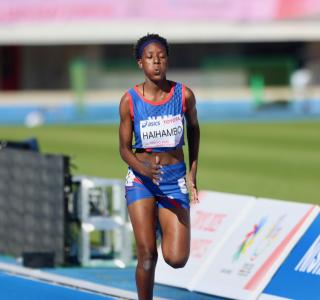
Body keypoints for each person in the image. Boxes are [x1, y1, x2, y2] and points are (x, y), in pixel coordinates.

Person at [119, 33, 200, 300]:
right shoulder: (129, 100)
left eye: (162, 57)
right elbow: (123, 149)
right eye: (150, 58)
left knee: (177, 259)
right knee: (147, 254)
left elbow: (194, 130)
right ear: (140, 63)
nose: (157, 63)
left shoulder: (184, 95)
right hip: (141, 179)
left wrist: (192, 173)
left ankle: (158, 218)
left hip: (173, 179)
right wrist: (139, 168)